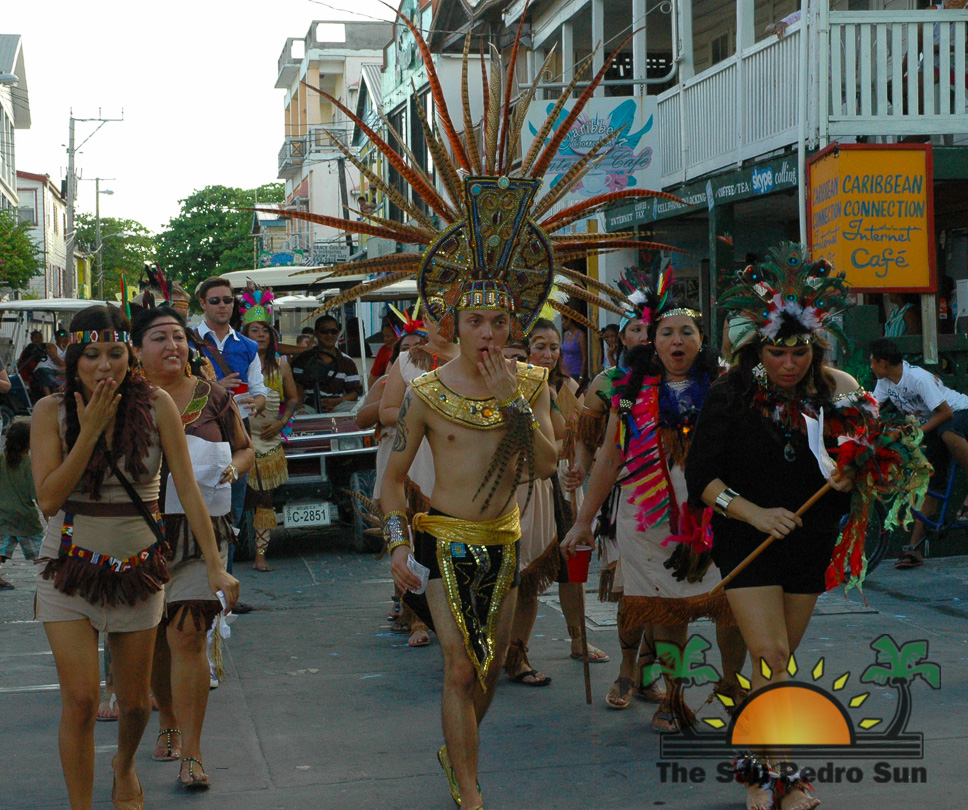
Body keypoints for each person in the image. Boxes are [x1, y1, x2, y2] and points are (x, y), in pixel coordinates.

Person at [685, 245, 873, 810]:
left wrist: (853, 473)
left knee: (778, 661)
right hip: (748, 534)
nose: (789, 363)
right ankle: (784, 779)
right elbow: (701, 478)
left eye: (800, 352)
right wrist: (754, 513)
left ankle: (755, 764)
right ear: (758, 348)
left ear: (815, 347)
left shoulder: (839, 390)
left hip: (811, 539)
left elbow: (865, 462)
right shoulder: (731, 394)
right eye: (777, 352)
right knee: (768, 653)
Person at [31, 304, 240, 810]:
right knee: (82, 700)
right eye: (92, 355)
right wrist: (89, 430)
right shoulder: (49, 412)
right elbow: (49, 498)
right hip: (67, 567)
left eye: (115, 353)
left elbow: (187, 488)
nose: (104, 365)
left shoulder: (157, 404)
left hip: (138, 570)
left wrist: (215, 565)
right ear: (74, 358)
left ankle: (123, 766)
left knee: (134, 705)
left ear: (129, 356)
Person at [384, 304, 558, 810]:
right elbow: (392, 480)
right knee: (460, 667)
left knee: (490, 667)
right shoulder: (426, 392)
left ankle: (456, 750)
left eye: (500, 322)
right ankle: (469, 788)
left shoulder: (531, 384)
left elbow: (546, 464)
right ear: (454, 327)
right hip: (444, 538)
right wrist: (398, 543)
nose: (488, 333)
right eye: (475, 321)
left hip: (503, 540)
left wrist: (511, 402)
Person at [562, 278, 746, 727]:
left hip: (720, 515)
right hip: (648, 518)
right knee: (666, 611)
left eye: (686, 332)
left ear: (701, 340)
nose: (676, 341)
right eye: (666, 332)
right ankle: (674, 696)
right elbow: (609, 459)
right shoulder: (629, 394)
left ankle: (732, 686)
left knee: (734, 606)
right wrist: (583, 520)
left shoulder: (727, 387)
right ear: (653, 342)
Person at [131, 305, 252, 790]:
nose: (172, 346)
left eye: (178, 337)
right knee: (156, 639)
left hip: (202, 534)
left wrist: (233, 468)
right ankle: (168, 722)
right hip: (140, 538)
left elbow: (245, 447)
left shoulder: (216, 397)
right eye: (159, 338)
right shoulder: (125, 401)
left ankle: (195, 753)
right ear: (137, 349)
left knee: (187, 634)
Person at [568, 284, 664, 703]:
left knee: (666, 595)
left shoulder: (685, 379)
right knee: (631, 591)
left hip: (674, 506)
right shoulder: (607, 383)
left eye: (652, 330)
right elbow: (591, 443)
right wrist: (579, 469)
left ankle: (648, 672)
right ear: (622, 336)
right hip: (623, 499)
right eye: (636, 329)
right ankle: (626, 670)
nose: (645, 337)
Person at [505, 318, 609, 688]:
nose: (547, 355)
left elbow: (587, 432)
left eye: (554, 348)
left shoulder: (571, 386)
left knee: (571, 565)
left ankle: (578, 638)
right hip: (523, 485)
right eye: (539, 347)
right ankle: (507, 652)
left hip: (563, 483)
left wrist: (580, 466)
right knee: (520, 574)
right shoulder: (508, 386)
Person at [869, 337, 968, 565]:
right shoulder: (885, 382)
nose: (871, 366)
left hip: (959, 412)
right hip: (932, 426)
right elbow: (872, 409)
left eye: (872, 362)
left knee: (947, 432)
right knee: (930, 479)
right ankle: (914, 549)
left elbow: (946, 413)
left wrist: (916, 433)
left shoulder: (918, 378)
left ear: (882, 362)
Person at [240, 289, 299, 572]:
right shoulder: (238, 363)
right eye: (255, 330)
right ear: (244, 335)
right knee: (238, 498)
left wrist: (281, 421)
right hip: (241, 440)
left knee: (265, 499)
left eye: (265, 330)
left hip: (269, 442)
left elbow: (294, 399)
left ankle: (260, 555)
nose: (261, 335)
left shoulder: (281, 365)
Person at [0, 418, 43, 590]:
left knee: (2, 548)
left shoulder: (2, 460)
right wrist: (49, 515)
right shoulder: (29, 465)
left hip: (3, 515)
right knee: (41, 552)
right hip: (25, 518)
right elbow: (36, 494)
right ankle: (49, 578)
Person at [290, 314, 363, 413]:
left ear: (338, 333)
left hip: (338, 406)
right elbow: (297, 388)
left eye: (334, 331)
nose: (330, 335)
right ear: (316, 333)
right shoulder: (303, 360)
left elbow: (354, 392)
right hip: (309, 405)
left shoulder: (347, 362)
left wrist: (336, 401)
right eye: (324, 331)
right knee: (298, 414)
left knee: (361, 409)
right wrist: (314, 404)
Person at [34, 328, 69, 395]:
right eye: (62, 336)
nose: (65, 338)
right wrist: (68, 368)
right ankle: (48, 397)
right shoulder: (52, 346)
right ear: (56, 338)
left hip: (56, 370)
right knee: (48, 376)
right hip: (45, 368)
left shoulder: (68, 349)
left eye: (66, 336)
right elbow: (56, 360)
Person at [560, 308, 588, 384]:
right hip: (565, 372)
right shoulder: (566, 334)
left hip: (576, 373)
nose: (562, 323)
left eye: (563, 320)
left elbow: (585, 358)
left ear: (569, 320)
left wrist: (581, 377)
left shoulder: (580, 335)